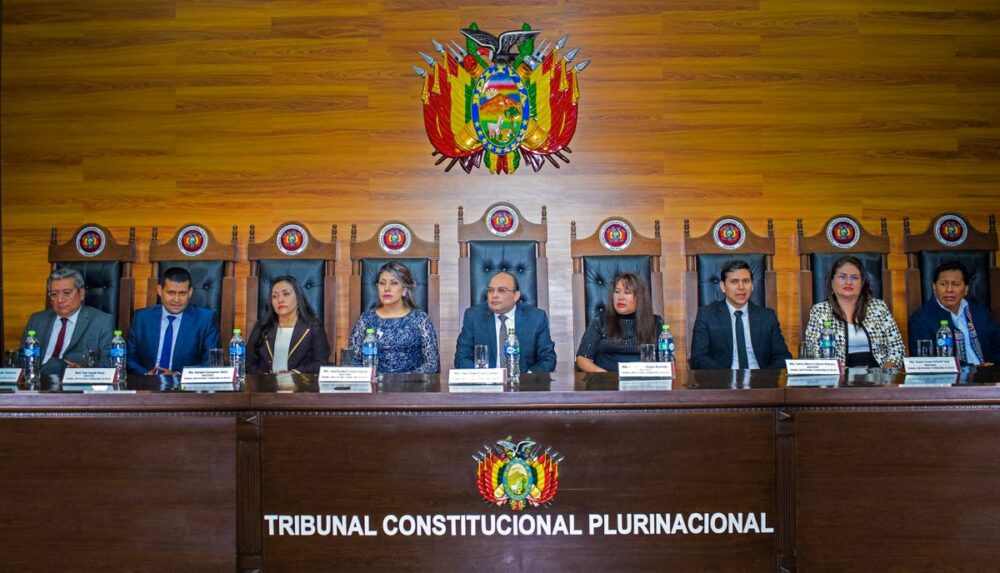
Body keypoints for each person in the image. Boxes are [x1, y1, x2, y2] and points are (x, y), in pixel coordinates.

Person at [803, 255, 904, 368]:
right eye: (842, 277)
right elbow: (814, 352)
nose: (848, 282)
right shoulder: (820, 312)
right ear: (831, 282)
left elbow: (897, 348)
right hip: (839, 376)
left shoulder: (879, 308)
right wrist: (840, 371)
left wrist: (885, 372)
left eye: (854, 278)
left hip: (879, 374)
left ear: (862, 283)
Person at [690, 259, 792, 370]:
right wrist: (727, 376)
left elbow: (783, 356)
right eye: (734, 282)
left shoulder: (767, 317)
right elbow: (698, 358)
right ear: (723, 286)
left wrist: (764, 377)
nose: (741, 287)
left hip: (761, 377)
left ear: (752, 285)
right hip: (723, 378)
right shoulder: (707, 315)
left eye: (746, 281)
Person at [455, 271, 557, 372]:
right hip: (486, 380)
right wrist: (485, 375)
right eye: (490, 290)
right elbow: (461, 358)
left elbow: (548, 359)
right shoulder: (474, 317)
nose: (494, 295)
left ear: (516, 296)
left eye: (502, 290)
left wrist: (527, 377)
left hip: (523, 381)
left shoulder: (536, 317)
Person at [347, 262, 439, 373]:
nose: (386, 288)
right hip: (374, 383)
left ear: (404, 290)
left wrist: (402, 379)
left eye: (394, 283)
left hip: (411, 383)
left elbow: (432, 364)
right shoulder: (366, 319)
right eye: (382, 283)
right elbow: (353, 361)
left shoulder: (420, 319)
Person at [21, 268, 114, 378]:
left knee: (56, 365)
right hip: (36, 381)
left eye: (66, 293)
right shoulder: (37, 320)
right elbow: (22, 358)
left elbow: (109, 364)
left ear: (81, 293)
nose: (60, 300)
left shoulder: (102, 321)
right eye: (54, 294)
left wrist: (81, 371)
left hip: (76, 383)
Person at [126, 266, 220, 375]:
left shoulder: (206, 319)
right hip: (146, 382)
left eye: (182, 294)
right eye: (171, 293)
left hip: (184, 384)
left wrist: (178, 375)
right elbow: (128, 357)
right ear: (159, 290)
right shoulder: (141, 318)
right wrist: (146, 374)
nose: (176, 300)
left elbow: (211, 362)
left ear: (190, 292)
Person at [908, 260, 999, 365]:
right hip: (952, 374)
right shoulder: (921, 319)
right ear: (934, 287)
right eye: (943, 284)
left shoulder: (979, 311)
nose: (949, 290)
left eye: (956, 284)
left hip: (989, 371)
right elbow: (928, 361)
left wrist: (992, 364)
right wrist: (973, 368)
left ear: (966, 289)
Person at [576, 272, 663, 372]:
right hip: (606, 379)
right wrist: (607, 376)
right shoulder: (600, 320)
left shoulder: (655, 323)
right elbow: (582, 358)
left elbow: (668, 359)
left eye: (627, 292)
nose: (620, 297)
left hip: (643, 379)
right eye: (617, 292)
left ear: (639, 297)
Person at [247, 276, 331, 374]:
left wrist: (294, 373)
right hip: (265, 383)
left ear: (298, 298)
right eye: (274, 296)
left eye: (286, 294)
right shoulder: (262, 326)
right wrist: (266, 377)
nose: (280, 300)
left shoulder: (313, 326)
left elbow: (321, 362)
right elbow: (248, 363)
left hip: (301, 382)